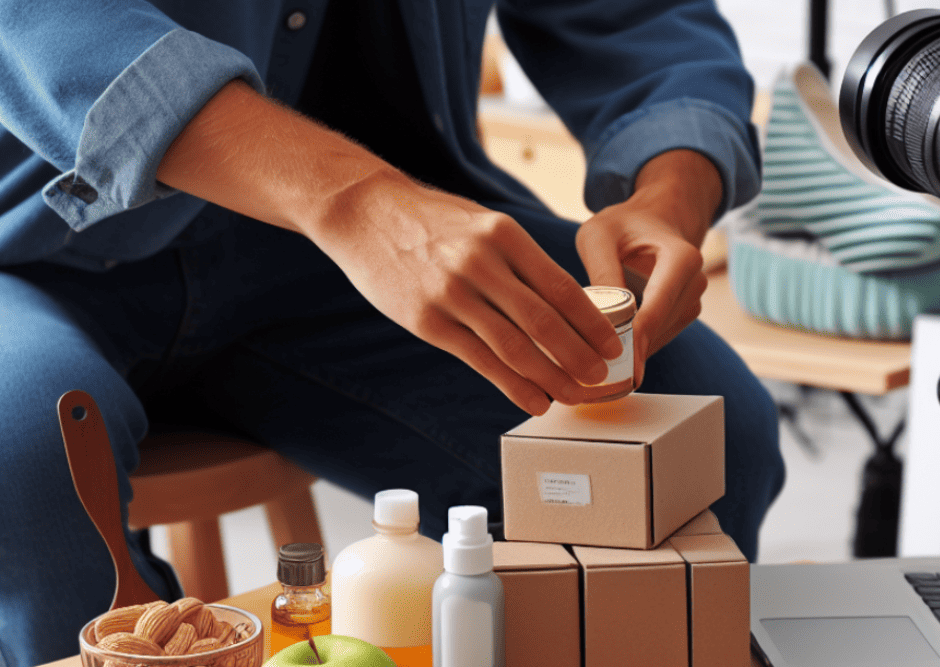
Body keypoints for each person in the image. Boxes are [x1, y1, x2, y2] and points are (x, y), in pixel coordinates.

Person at [0, 2, 786, 666]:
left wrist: (670, 189)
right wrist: (354, 200)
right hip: (32, 249)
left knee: (699, 427)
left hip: (349, 266)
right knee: (21, 453)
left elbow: (635, 16)